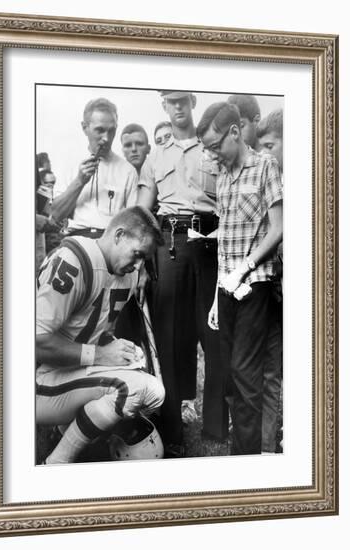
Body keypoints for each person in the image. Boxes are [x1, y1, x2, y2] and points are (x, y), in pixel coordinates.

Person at [36, 206, 165, 464]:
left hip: (63, 375)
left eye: (145, 260)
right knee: (138, 388)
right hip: (32, 381)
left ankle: (80, 444)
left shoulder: (124, 275)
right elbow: (34, 342)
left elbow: (93, 331)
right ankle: (56, 464)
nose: (139, 265)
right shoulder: (74, 260)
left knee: (149, 389)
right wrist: (101, 354)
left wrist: (118, 349)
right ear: (118, 235)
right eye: (137, 254)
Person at [138, 90, 227, 457]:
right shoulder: (154, 157)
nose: (176, 107)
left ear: (192, 101)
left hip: (211, 245)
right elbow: (144, 209)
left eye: (182, 100)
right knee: (170, 339)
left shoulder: (213, 148)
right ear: (163, 105)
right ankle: (171, 430)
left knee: (216, 336)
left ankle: (216, 427)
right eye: (169, 101)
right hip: (170, 243)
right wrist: (143, 259)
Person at [197, 101, 283, 455]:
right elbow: (224, 244)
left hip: (254, 284)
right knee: (230, 378)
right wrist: (217, 299)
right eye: (209, 149)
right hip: (227, 290)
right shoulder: (223, 177)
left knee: (246, 375)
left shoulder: (265, 166)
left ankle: (249, 461)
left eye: (216, 146)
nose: (214, 154)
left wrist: (245, 267)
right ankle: (241, 453)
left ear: (235, 132)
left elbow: (279, 228)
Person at [51, 98, 138, 238]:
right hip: (76, 240)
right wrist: (79, 181)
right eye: (100, 130)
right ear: (84, 128)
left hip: (111, 243)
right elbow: (56, 215)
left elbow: (132, 225)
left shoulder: (128, 171)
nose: (107, 138)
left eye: (112, 131)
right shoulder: (70, 163)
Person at [257, 108, 284, 453]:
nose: (265, 154)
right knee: (271, 368)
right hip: (275, 289)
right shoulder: (271, 182)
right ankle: (267, 445)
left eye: (270, 145)